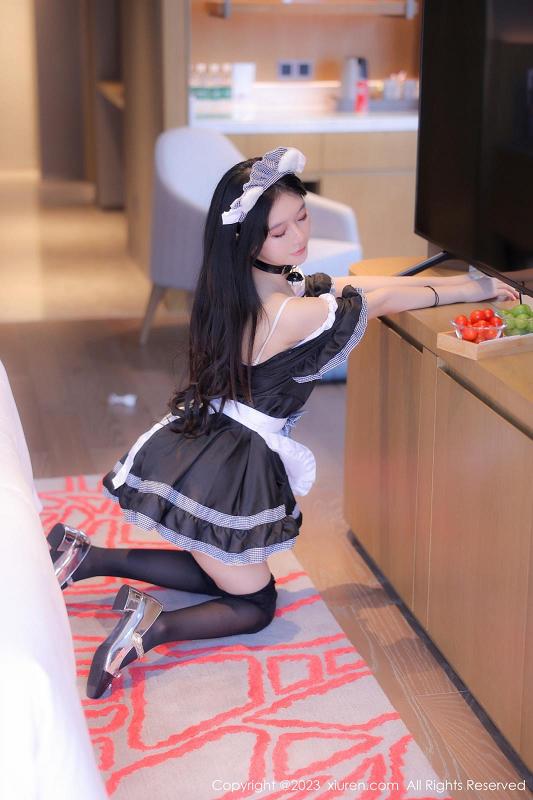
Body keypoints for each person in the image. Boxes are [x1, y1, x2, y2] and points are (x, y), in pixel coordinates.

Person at [48, 146, 518, 700]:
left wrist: (461, 284)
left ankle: (85, 556)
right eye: (279, 230)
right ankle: (150, 629)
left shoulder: (241, 285)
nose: (298, 236)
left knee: (227, 564)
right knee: (255, 602)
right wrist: (473, 288)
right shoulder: (289, 314)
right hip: (228, 465)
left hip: (207, 441)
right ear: (250, 240)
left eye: (302, 216)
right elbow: (377, 298)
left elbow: (351, 286)